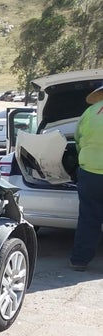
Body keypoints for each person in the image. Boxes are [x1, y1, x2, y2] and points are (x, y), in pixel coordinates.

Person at [69, 82, 103, 271]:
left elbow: (78, 139)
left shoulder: (90, 112)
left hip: (89, 172)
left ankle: (80, 260)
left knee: (89, 217)